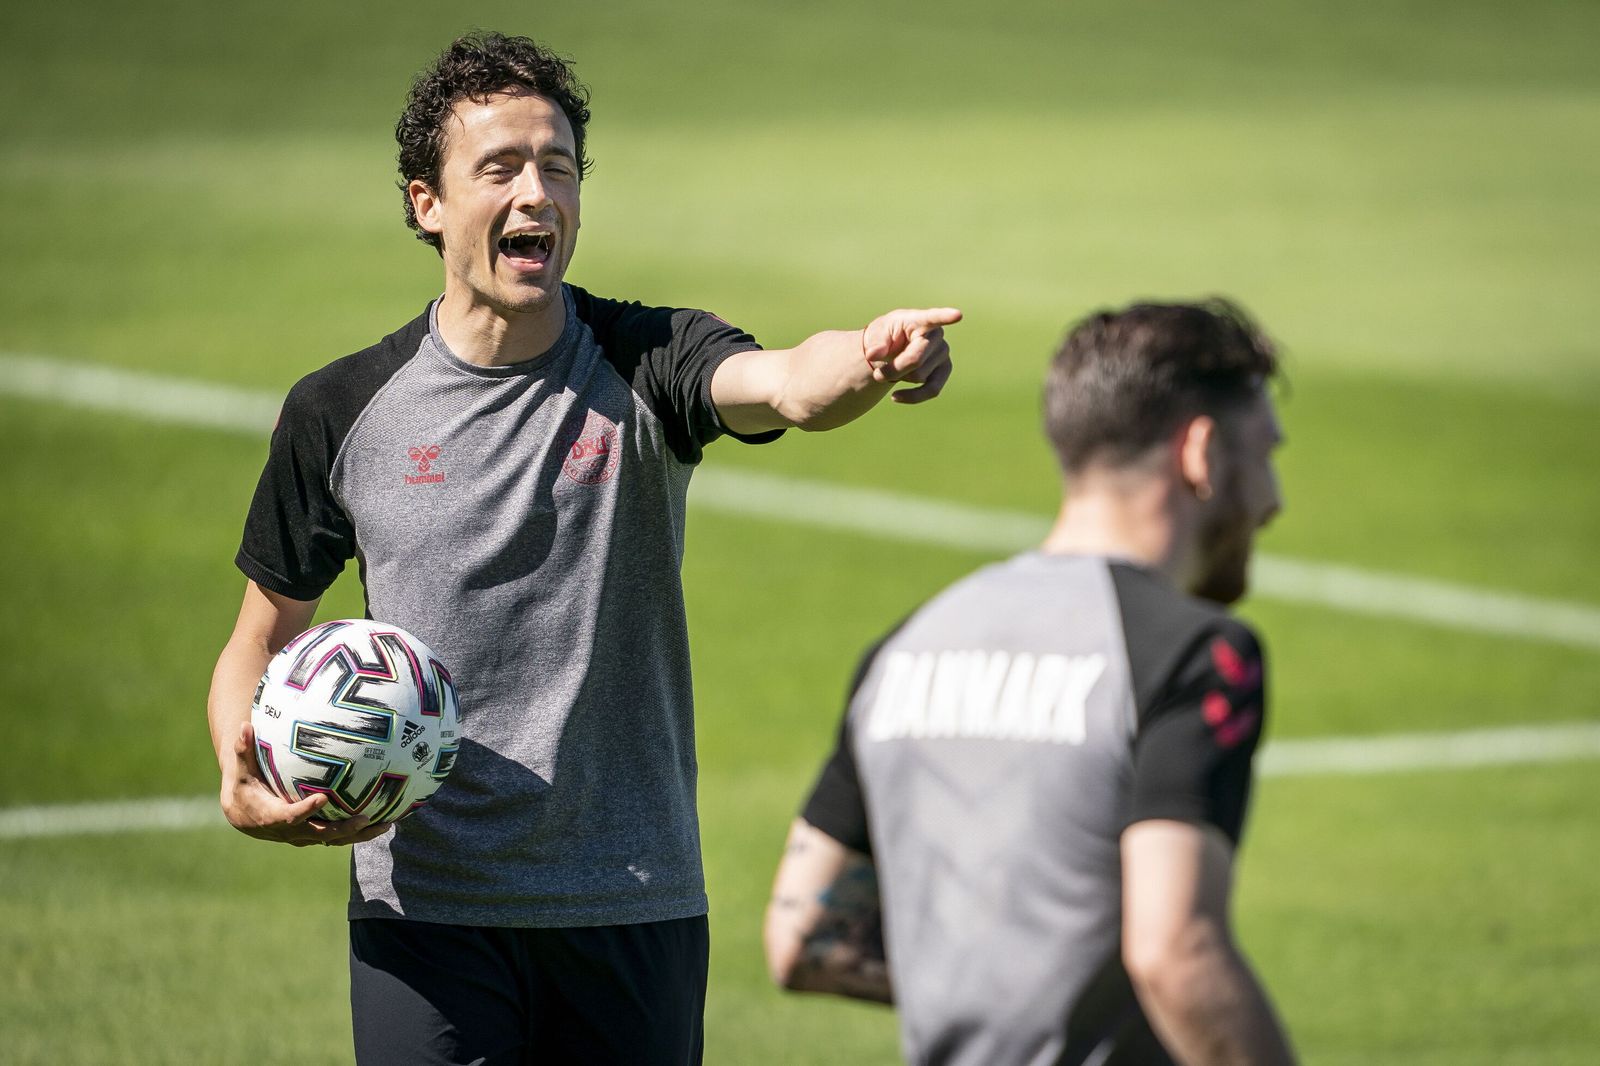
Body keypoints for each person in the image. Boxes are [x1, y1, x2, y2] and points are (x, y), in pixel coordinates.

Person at [205, 31, 958, 1066]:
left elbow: (785, 382)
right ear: (426, 202)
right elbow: (260, 636)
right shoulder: (341, 411)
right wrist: (238, 771)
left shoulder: (645, 360)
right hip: (425, 911)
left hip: (630, 900)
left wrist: (866, 361)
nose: (537, 194)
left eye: (557, 168)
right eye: (501, 168)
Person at [765, 299, 1298, 1065]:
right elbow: (1175, 952)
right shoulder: (1192, 652)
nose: (1273, 499)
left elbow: (802, 941)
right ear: (1201, 452)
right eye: (1265, 455)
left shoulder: (912, 643)